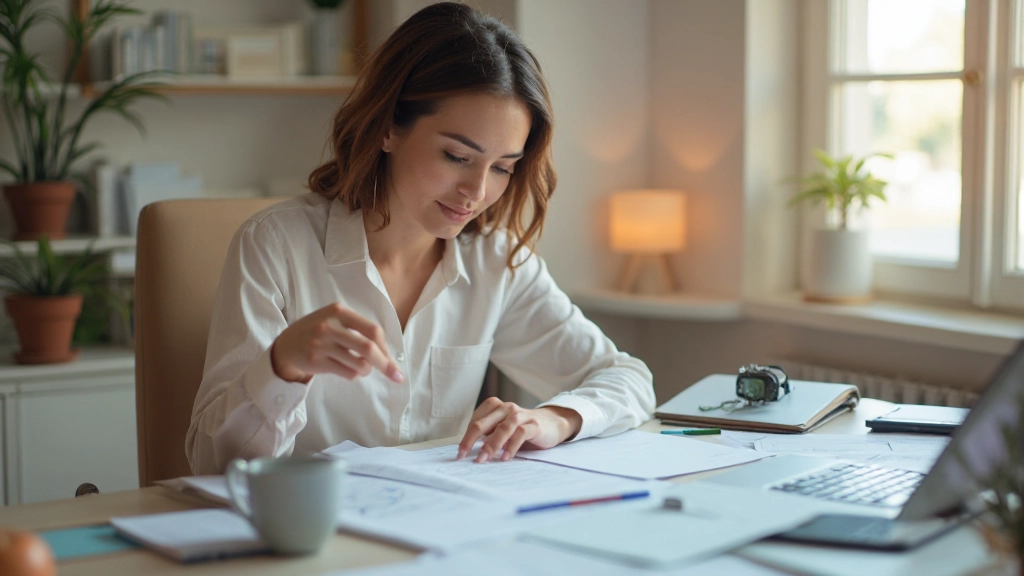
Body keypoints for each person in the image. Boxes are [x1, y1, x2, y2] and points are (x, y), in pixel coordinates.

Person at [186, 2, 655, 475]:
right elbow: (215, 463)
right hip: (306, 533)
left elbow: (630, 379)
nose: (476, 192)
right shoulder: (275, 247)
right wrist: (282, 366)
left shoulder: (497, 263)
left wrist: (555, 419)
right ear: (388, 127)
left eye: (502, 168)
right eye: (456, 156)